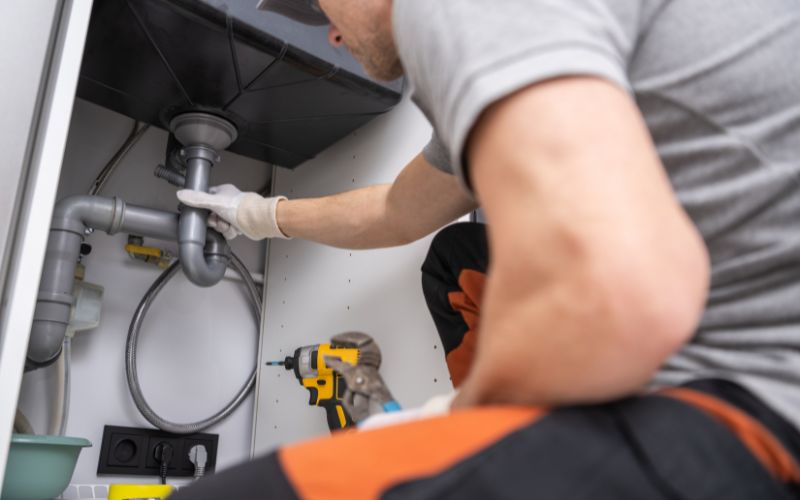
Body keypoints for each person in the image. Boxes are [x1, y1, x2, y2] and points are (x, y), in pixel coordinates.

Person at [173, 0, 800, 498]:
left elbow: (616, 287)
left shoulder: (453, 8)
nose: (330, 36)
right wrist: (255, 215)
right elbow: (397, 209)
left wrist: (451, 420)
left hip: (753, 413)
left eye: (320, 5)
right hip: (737, 372)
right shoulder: (519, 36)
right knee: (458, 259)